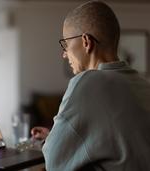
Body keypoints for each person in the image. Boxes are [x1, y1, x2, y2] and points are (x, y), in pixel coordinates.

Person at [31, 1, 150, 170]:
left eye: (66, 44)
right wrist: (54, 137)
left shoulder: (87, 82)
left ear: (86, 42)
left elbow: (54, 163)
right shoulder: (142, 83)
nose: (64, 54)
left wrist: (52, 144)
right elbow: (119, 142)